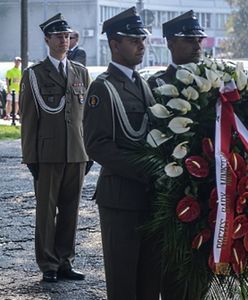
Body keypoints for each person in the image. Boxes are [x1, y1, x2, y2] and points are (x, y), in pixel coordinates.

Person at [83, 6, 162, 300]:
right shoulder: (101, 88)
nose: (141, 45)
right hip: (120, 199)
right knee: (124, 282)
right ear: (114, 45)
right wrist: (146, 169)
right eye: (133, 39)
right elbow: (97, 144)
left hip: (150, 197)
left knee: (149, 282)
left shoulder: (143, 83)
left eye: (142, 39)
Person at [19, 13, 90, 283]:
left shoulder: (80, 72)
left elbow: (86, 117)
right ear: (47, 39)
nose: (64, 40)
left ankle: (65, 261)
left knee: (71, 211)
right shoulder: (35, 75)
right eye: (59, 36)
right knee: (46, 212)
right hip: (47, 154)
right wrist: (30, 158)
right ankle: (48, 263)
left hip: (76, 152)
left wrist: (89, 151)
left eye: (67, 36)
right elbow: (28, 120)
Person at [148, 10, 207, 91]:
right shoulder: (158, 83)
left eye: (200, 40)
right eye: (190, 40)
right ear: (170, 44)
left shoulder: (208, 79)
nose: (198, 47)